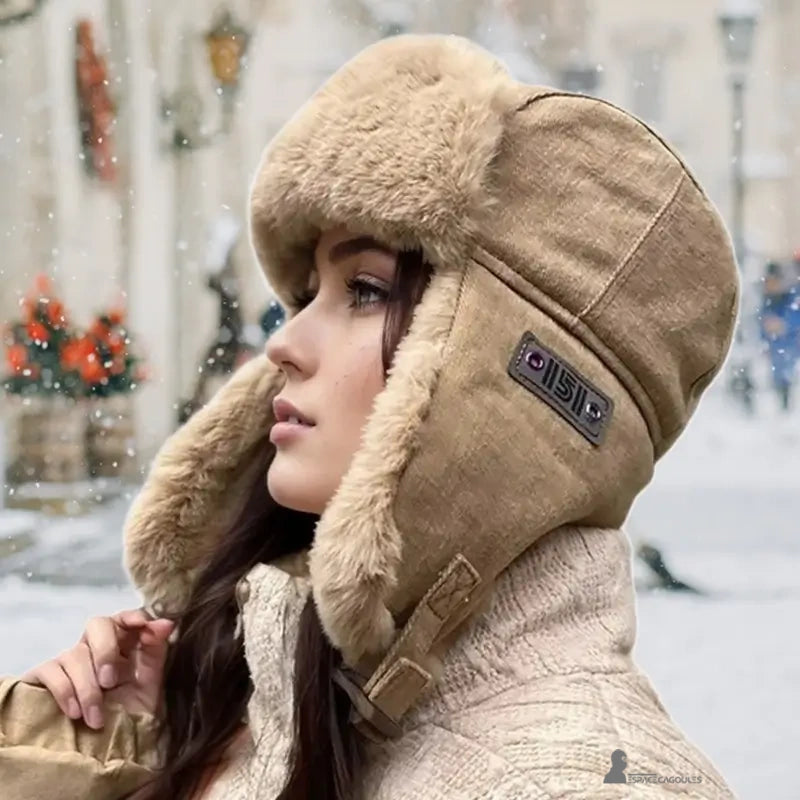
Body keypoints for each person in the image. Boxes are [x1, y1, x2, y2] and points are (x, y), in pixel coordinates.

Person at [0, 35, 740, 799]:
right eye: (307, 294)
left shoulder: (579, 784)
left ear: (504, 384)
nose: (282, 343)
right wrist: (125, 747)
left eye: (365, 291)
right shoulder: (271, 714)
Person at [759, 260, 800, 412]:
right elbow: (761, 325)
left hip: (792, 347)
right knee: (778, 381)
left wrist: (784, 324)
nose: (770, 285)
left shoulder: (792, 296)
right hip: (776, 350)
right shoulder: (767, 301)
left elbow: (795, 317)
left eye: (773, 282)